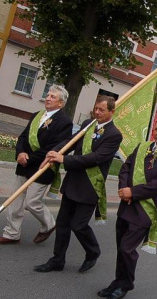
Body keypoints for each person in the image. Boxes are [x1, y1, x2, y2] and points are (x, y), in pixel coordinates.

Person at [33, 96, 123, 273]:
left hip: (90, 186)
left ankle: (93, 252)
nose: (97, 112)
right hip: (73, 181)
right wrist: (56, 151)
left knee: (78, 225)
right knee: (63, 223)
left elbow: (95, 158)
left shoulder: (114, 135)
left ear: (112, 112)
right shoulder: (88, 124)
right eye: (96, 108)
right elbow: (71, 141)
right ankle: (57, 260)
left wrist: (64, 159)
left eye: (101, 110)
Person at [98, 117, 157, 299]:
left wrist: (132, 192)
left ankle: (125, 285)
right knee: (121, 247)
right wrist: (123, 190)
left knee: (127, 249)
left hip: (144, 211)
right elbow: (125, 168)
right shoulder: (142, 147)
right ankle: (117, 281)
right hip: (126, 205)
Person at [0, 85, 73, 245]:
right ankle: (11, 234)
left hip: (42, 167)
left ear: (61, 103)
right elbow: (23, 136)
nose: (48, 98)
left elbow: (54, 148)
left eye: (53, 97)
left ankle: (49, 224)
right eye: (48, 95)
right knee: (15, 200)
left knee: (32, 202)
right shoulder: (37, 115)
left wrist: (29, 158)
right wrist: (20, 153)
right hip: (23, 164)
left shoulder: (65, 122)